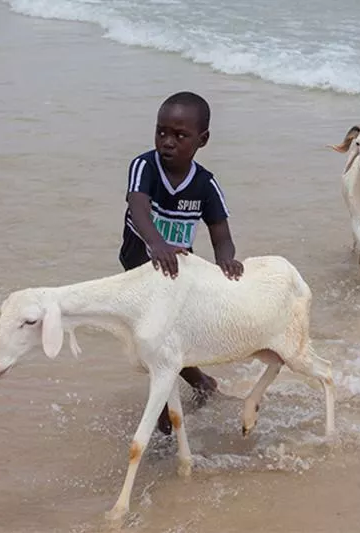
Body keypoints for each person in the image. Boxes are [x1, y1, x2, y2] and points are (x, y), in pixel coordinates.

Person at [119, 91, 244, 434]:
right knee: (157, 343)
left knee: (165, 343)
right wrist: (155, 242)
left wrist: (226, 263)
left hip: (176, 276)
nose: (167, 142)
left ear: (202, 140)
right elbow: (138, 207)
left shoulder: (205, 184)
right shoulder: (145, 166)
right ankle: (190, 393)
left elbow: (221, 234)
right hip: (138, 273)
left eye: (180, 135)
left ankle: (172, 411)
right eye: (161, 132)